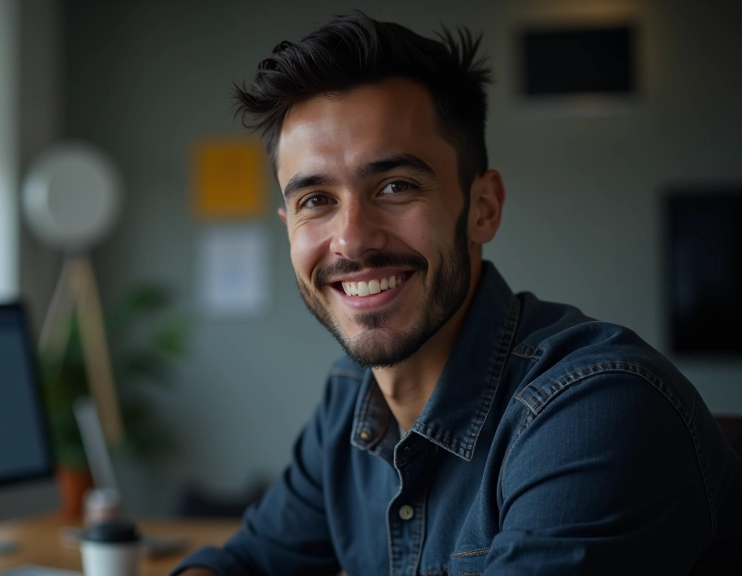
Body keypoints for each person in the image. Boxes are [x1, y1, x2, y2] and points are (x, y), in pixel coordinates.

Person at [171, 11, 742, 576]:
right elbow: (245, 562)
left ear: (483, 208)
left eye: (396, 186)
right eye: (315, 200)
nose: (351, 239)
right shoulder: (350, 399)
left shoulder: (597, 412)